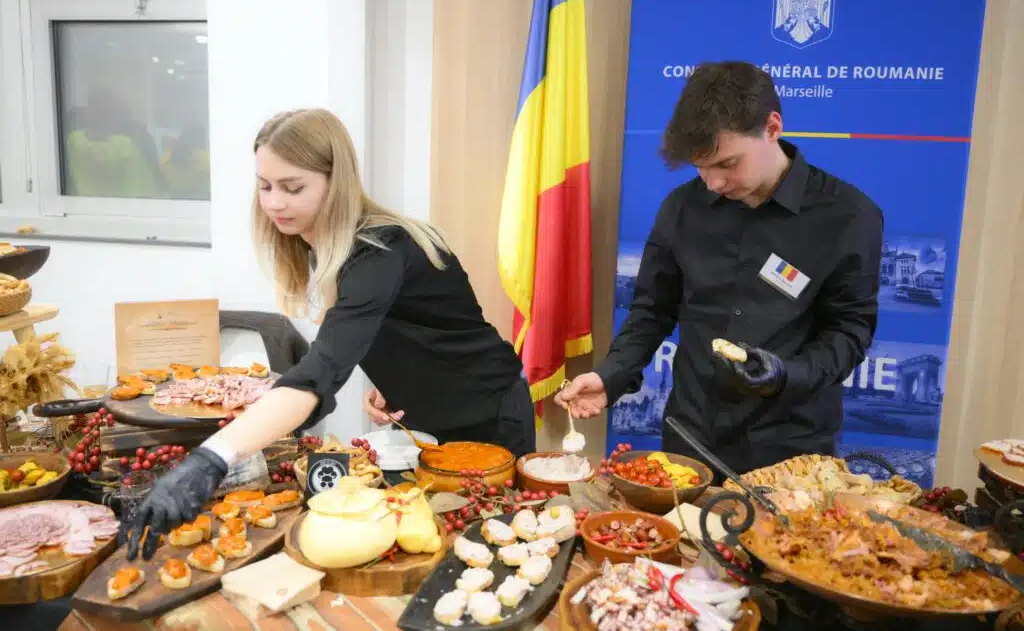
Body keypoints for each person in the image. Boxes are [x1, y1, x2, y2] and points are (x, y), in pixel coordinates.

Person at [124, 108, 532, 560]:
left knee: (492, 555)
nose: (274, 202)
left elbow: (322, 369)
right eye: (265, 186)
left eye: (292, 187)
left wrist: (211, 457)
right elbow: (405, 327)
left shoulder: (380, 248)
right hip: (430, 423)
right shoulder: (324, 243)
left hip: (488, 415)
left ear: (336, 183)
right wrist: (395, 377)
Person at [555, 61, 883, 477]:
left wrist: (786, 375)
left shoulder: (849, 215)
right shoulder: (681, 208)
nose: (713, 183)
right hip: (691, 434)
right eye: (700, 168)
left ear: (772, 128)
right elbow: (651, 311)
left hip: (792, 442)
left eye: (727, 164)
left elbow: (850, 330)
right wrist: (612, 377)